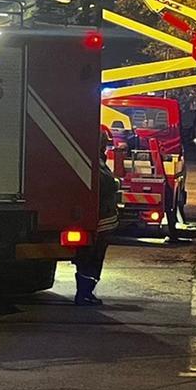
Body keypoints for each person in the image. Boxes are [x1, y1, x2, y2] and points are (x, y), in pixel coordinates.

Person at [74, 131, 120, 306]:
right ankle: (84, 293)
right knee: (92, 258)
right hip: (100, 222)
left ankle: (87, 292)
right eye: (104, 143)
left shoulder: (94, 160)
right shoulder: (96, 163)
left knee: (91, 258)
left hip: (101, 221)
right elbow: (106, 184)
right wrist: (116, 184)